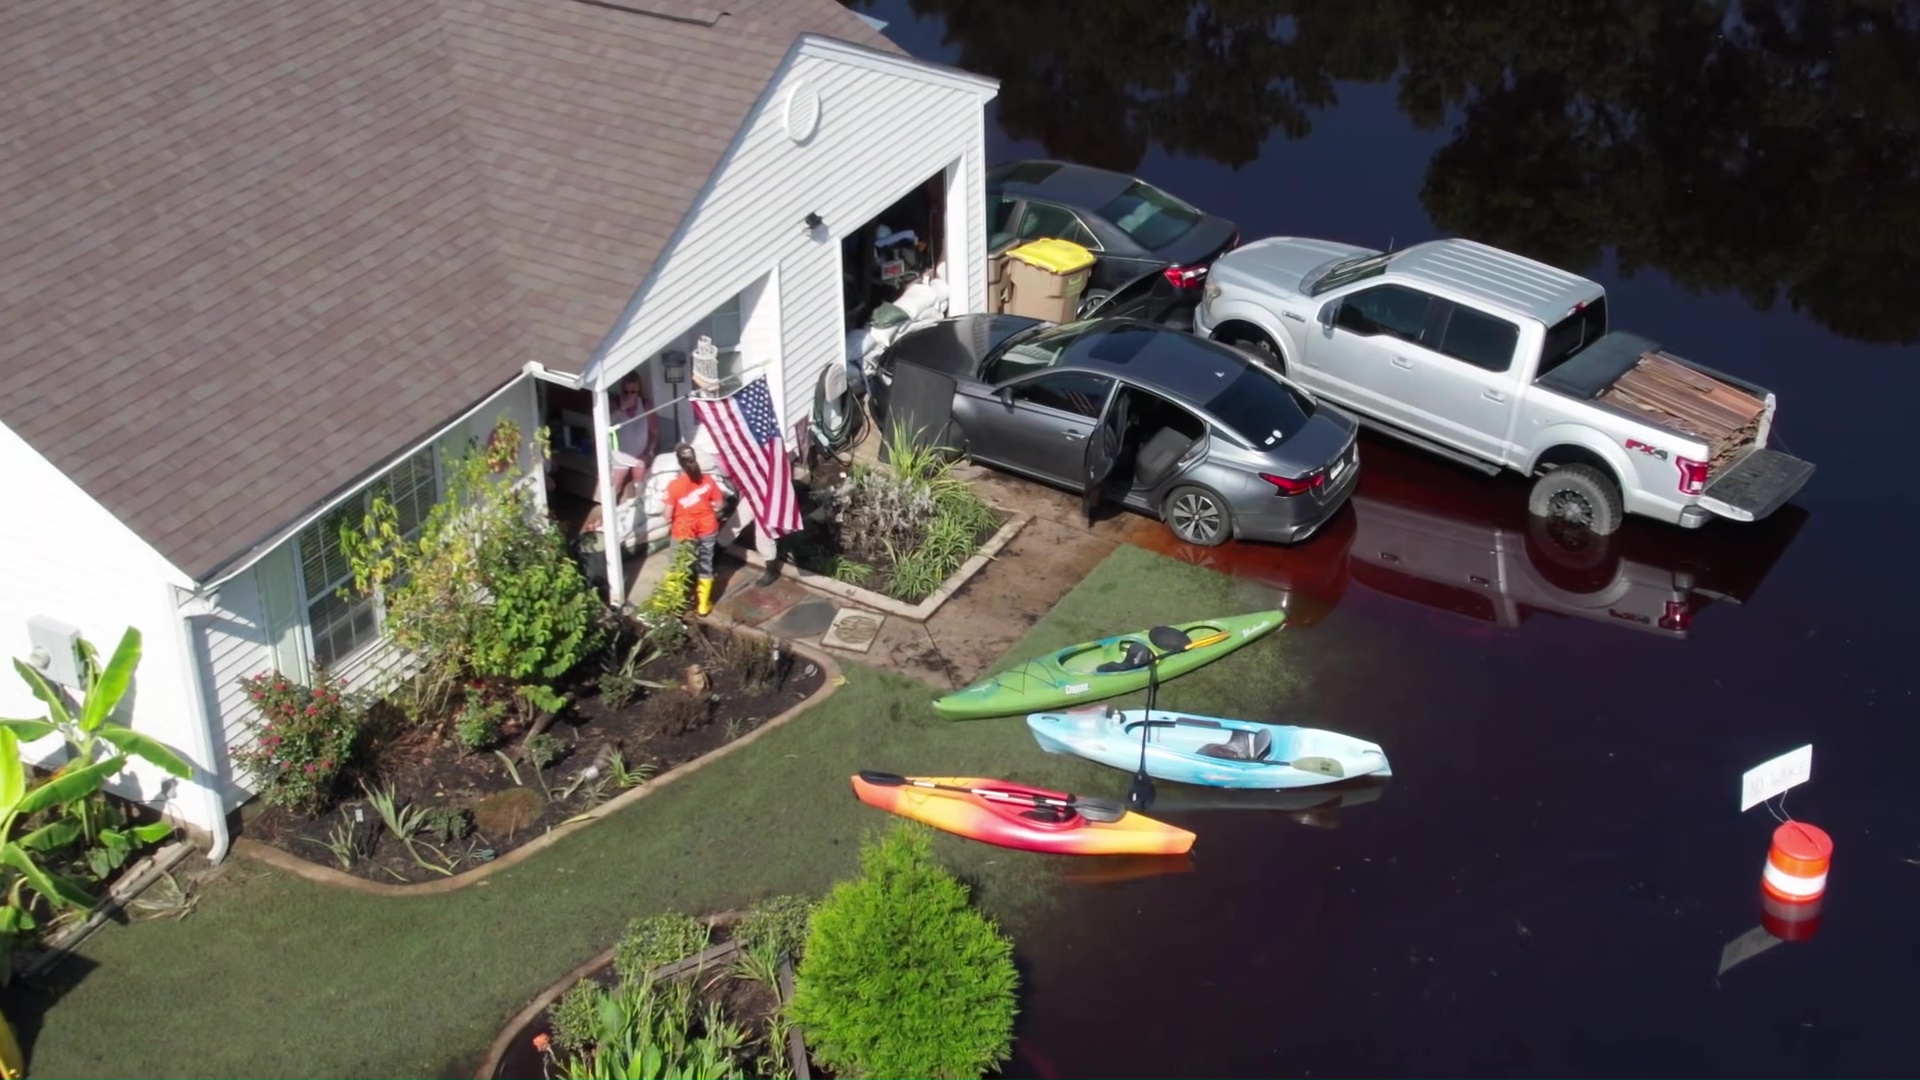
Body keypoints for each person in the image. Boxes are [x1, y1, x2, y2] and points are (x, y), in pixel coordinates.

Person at [665, 443, 728, 616]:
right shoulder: (708, 480)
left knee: (676, 565)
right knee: (705, 565)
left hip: (683, 531)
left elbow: (666, 514)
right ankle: (702, 606)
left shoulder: (675, 486)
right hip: (708, 528)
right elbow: (720, 504)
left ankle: (673, 602)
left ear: (680, 463)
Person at [610, 375, 658, 503]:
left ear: (639, 390)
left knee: (639, 487)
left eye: (633, 391)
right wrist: (622, 408)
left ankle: (638, 511)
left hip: (639, 455)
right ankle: (610, 516)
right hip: (620, 454)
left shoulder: (646, 404)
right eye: (626, 391)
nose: (630, 395)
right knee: (615, 487)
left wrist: (648, 451)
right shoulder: (616, 403)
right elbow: (608, 424)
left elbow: (653, 431)